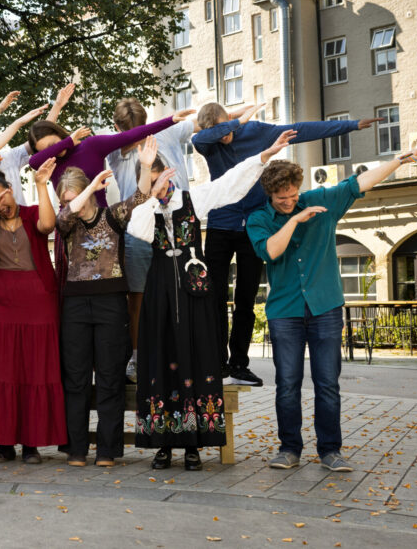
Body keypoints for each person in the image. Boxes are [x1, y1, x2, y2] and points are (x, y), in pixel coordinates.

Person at [246, 145, 417, 472]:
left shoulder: (323, 200)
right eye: (281, 198)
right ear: (270, 194)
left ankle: (331, 451)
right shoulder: (260, 218)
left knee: (327, 382)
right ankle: (289, 449)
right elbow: (271, 252)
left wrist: (397, 161)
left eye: (292, 195)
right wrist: (295, 219)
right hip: (284, 311)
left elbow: (358, 183)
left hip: (325, 307)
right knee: (288, 384)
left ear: (298, 187)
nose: (288, 202)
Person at [128, 130, 295, 471]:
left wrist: (264, 155)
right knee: (162, 363)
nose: (161, 187)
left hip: (195, 294)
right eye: (152, 181)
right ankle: (163, 444)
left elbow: (230, 183)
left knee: (196, 362)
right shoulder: (145, 211)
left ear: (170, 174)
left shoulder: (192, 200)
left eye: (162, 179)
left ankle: (193, 445)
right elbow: (138, 230)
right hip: (160, 293)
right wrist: (149, 194)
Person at [192, 102, 382, 388]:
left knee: (245, 298)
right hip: (220, 224)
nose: (222, 138)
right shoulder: (209, 142)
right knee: (214, 299)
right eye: (218, 132)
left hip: (254, 223)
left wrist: (351, 125)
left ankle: (239, 365)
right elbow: (199, 138)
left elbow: (301, 130)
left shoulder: (255, 131)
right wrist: (232, 122)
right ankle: (217, 364)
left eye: (226, 131)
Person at [54, 149, 152, 467]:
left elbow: (141, 196)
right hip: (75, 306)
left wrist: (147, 166)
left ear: (93, 193)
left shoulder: (113, 216)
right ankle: (77, 448)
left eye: (78, 197)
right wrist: (81, 196)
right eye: (69, 200)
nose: (75, 205)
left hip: (111, 304)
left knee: (110, 378)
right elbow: (63, 217)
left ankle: (108, 450)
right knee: (77, 379)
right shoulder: (67, 222)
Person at [0, 160, 64, 464]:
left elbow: (49, 226)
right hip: (1, 304)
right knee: (3, 370)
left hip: (38, 302)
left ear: (10, 190)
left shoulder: (32, 214)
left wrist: (40, 185)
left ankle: (32, 444)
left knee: (35, 369)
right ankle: (3, 443)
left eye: (1, 198)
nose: (0, 206)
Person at [107, 99, 202, 383]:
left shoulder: (169, 132)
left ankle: (183, 354)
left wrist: (235, 116)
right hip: (139, 225)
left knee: (184, 290)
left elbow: (205, 121)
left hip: (179, 224)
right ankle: (137, 357)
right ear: (118, 129)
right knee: (138, 295)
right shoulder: (116, 151)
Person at [0, 83, 76, 301]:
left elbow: (38, 140)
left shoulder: (10, 158)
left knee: (35, 283)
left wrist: (57, 106)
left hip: (24, 228)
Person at [28, 107, 191, 206]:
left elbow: (130, 135)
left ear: (58, 133)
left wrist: (170, 120)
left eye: (53, 145)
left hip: (101, 222)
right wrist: (68, 141)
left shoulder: (91, 145)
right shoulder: (49, 164)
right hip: (70, 225)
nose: (54, 152)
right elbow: (33, 161)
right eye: (46, 151)